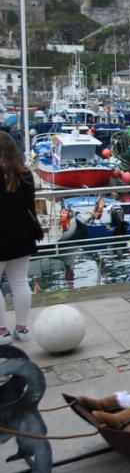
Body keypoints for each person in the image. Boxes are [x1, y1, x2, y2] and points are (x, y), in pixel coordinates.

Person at [0, 132, 37, 344]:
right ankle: (22, 328)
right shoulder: (26, 175)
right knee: (21, 281)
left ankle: (2, 331)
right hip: (22, 235)